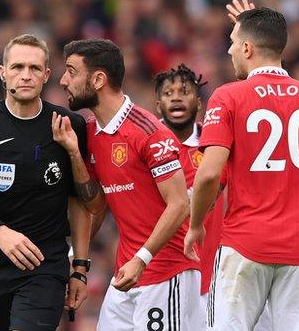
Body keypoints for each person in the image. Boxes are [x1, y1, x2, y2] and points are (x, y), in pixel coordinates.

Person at [183, 7, 299, 330]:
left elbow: (208, 173)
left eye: (233, 41)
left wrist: (195, 225)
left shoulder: (228, 97)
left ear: (247, 48)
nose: (230, 49)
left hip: (244, 245)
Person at [53, 38, 201, 330]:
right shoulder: (90, 133)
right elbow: (94, 205)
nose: (63, 80)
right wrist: (76, 263)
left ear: (97, 80)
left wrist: (142, 259)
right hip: (126, 276)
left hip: (166, 274)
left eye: (71, 71)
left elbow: (180, 204)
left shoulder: (149, 132)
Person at [0, 34, 91, 331]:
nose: (26, 75)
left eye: (35, 68)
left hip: (45, 264)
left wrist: (79, 268)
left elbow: (81, 202)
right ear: (3, 72)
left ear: (46, 75)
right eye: (17, 67)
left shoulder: (69, 125)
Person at [153, 63, 227, 329]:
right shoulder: (144, 143)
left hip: (211, 272)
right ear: (158, 105)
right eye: (168, 93)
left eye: (184, 92)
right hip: (160, 271)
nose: (176, 97)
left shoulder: (216, 144)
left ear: (198, 102)